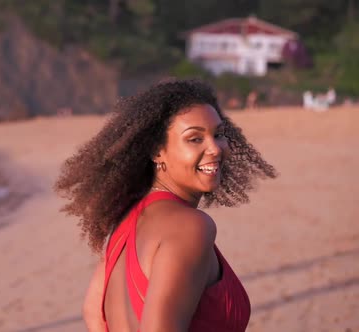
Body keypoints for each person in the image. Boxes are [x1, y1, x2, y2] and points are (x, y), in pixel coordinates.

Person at [54, 79, 277, 331]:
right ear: (157, 151)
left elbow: (93, 313)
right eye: (194, 139)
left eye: (218, 134)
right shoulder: (190, 227)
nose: (214, 148)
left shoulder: (126, 219)